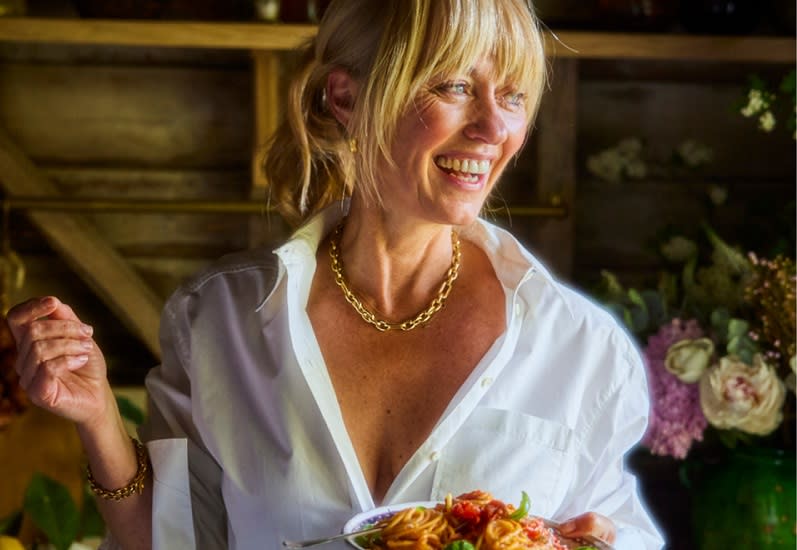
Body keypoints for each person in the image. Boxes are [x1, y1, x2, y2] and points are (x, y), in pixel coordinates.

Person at [7, 0, 665, 548]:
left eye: (514, 95)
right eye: (454, 85)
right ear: (346, 97)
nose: (494, 127)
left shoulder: (579, 346)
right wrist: (97, 415)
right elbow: (178, 538)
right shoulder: (221, 320)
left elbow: (616, 532)